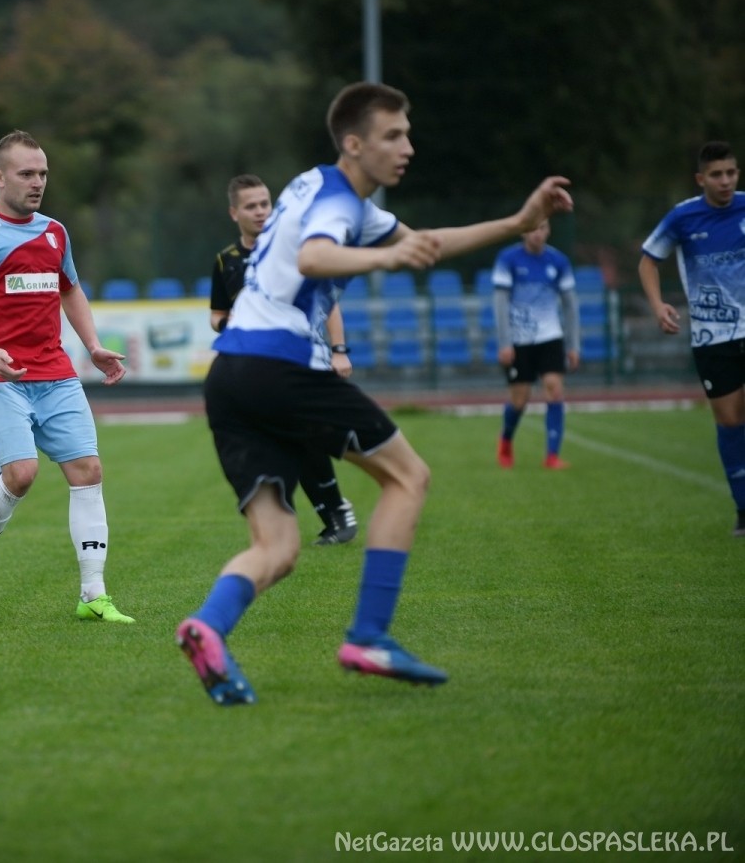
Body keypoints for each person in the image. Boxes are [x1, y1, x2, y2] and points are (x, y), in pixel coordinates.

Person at [175, 82, 573, 704]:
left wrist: (517, 223)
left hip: (230, 377)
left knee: (278, 548)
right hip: (281, 365)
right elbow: (314, 258)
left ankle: (207, 626)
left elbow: (424, 244)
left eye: (407, 133)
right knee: (409, 477)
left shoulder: (319, 188)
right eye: (393, 135)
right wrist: (384, 261)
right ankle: (369, 635)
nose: (407, 147)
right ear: (355, 145)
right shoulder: (338, 200)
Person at [0, 130, 135, 624]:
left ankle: (93, 594)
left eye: (42, 173)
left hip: (55, 372)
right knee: (21, 475)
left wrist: (93, 346)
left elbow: (70, 289)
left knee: (88, 471)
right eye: (27, 174)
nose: (38, 182)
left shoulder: (55, 232)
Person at [211, 174, 358, 545]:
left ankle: (335, 509)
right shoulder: (226, 260)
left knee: (307, 432)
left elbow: (328, 304)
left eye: (265, 204)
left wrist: (339, 350)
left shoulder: (292, 250)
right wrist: (235, 324)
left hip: (299, 356)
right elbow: (216, 315)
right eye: (251, 206)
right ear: (234, 213)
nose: (261, 211)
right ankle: (329, 514)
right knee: (282, 437)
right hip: (254, 364)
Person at [637, 140, 745, 537]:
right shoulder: (684, 217)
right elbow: (648, 261)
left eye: (730, 173)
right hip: (711, 336)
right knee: (730, 422)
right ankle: (743, 509)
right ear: (701, 179)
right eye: (716, 175)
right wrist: (657, 305)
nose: (725, 181)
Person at [492, 219, 580, 469]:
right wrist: (505, 342)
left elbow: (570, 305)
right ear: (523, 231)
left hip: (550, 336)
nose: (537, 234)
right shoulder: (507, 259)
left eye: (542, 228)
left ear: (549, 230)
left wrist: (573, 344)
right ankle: (506, 439)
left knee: (554, 389)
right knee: (520, 400)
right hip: (519, 340)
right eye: (532, 228)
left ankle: (552, 455)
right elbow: (500, 303)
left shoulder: (558, 261)